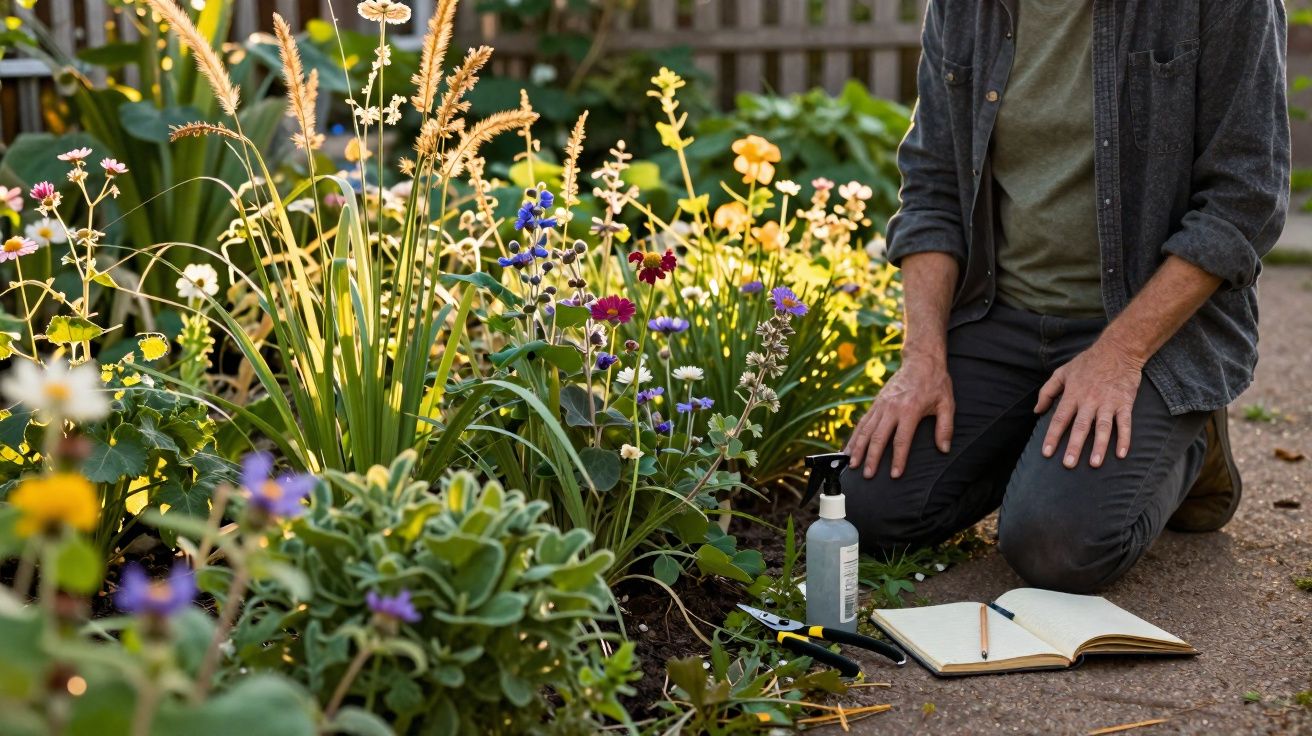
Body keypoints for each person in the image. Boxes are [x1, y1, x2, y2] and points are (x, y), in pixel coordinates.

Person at [842, 0, 1290, 593]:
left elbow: (1244, 199)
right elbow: (933, 186)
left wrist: (1119, 357)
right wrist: (922, 359)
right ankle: (1047, 448)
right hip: (1000, 315)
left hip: (1150, 332)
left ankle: (1189, 434)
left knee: (1057, 548)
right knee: (866, 511)